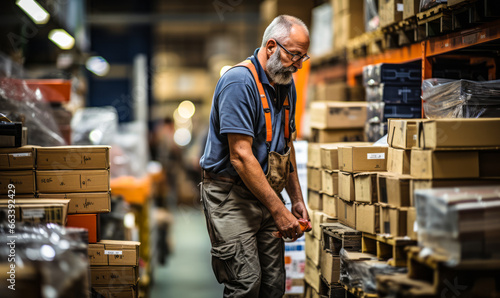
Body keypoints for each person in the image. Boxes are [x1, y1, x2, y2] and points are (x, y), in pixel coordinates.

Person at [199, 15, 311, 298]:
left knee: (273, 285)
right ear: (272, 46)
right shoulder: (238, 83)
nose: (298, 65)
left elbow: (287, 145)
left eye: (303, 57)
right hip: (231, 195)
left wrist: (295, 199)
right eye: (294, 55)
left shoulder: (285, 84)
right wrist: (279, 210)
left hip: (265, 193)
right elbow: (240, 156)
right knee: (247, 284)